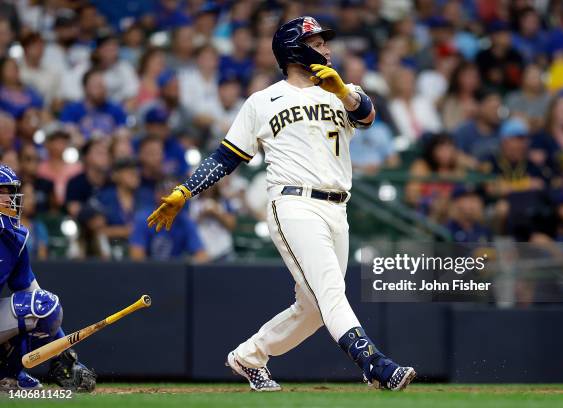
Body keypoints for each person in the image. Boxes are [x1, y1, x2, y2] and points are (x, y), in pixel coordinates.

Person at [146, 16, 416, 392]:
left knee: (313, 309)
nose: (326, 48)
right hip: (293, 204)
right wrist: (186, 191)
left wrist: (345, 93)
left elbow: (367, 116)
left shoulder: (340, 91)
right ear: (295, 49)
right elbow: (227, 156)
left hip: (338, 208)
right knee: (330, 293)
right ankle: (374, 364)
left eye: (324, 42)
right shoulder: (263, 100)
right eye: (317, 42)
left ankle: (249, 356)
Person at [0, 164, 96, 391]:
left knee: (45, 306)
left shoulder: (14, 239)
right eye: (4, 193)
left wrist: (63, 356)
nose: (11, 200)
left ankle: (8, 376)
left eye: (11, 193)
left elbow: (36, 299)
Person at [130, 178, 207, 262]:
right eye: (165, 191)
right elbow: (137, 256)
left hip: (176, 272)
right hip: (148, 272)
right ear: (156, 194)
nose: (170, 197)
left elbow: (202, 256)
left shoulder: (185, 221)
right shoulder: (143, 219)